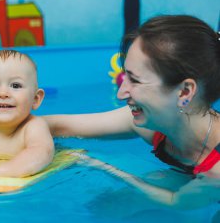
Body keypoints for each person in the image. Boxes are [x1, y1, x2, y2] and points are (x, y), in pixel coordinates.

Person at [45, 15, 220, 207]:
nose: (120, 93)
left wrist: (102, 165)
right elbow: (55, 125)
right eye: (124, 76)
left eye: (135, 80)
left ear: (185, 92)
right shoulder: (155, 123)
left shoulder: (217, 170)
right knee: (108, 205)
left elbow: (176, 202)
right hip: (190, 177)